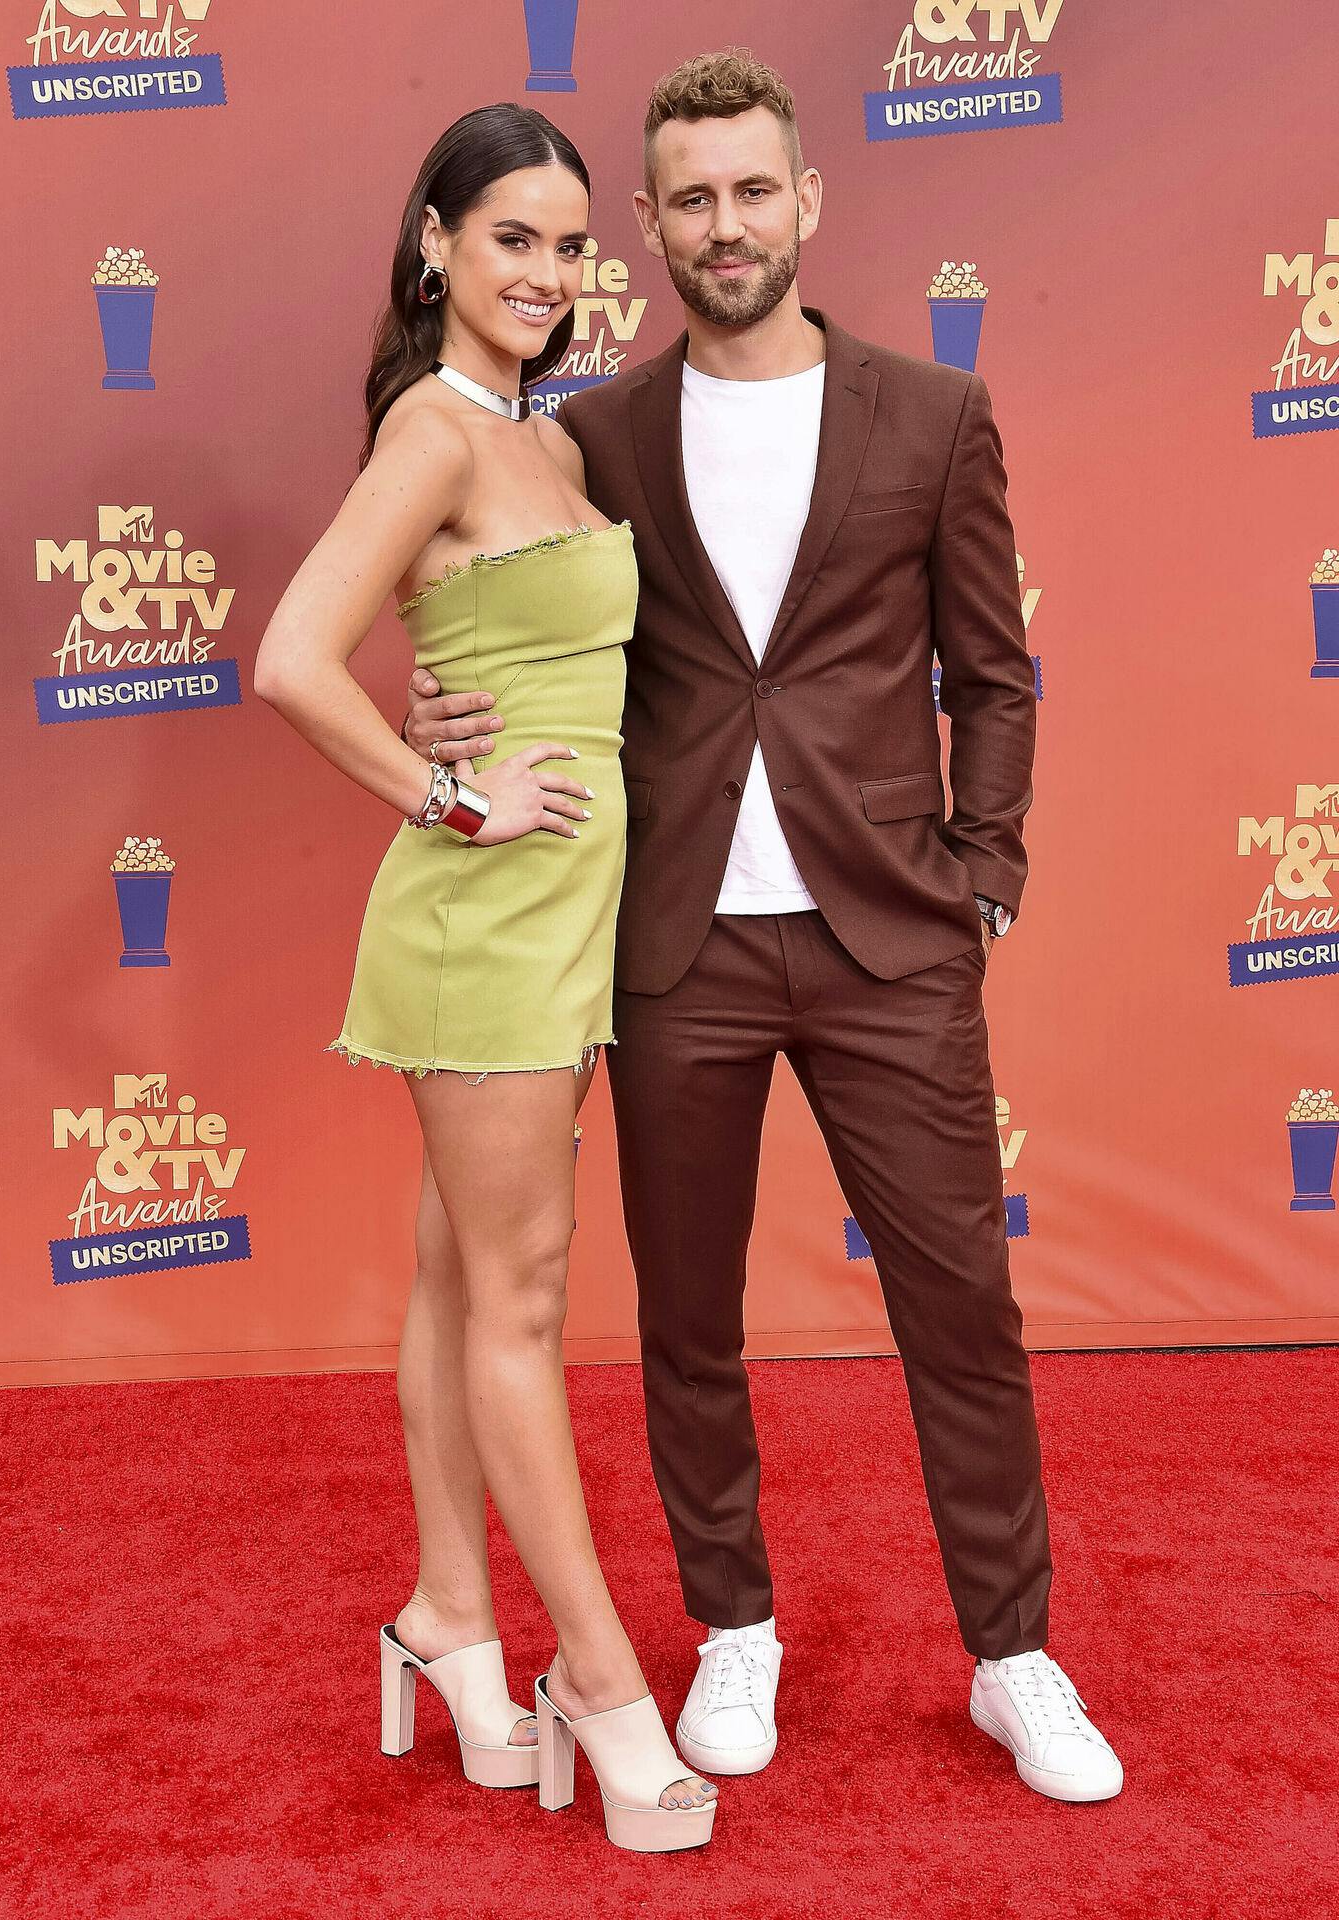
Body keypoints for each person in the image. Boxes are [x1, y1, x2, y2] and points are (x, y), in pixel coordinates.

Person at [406, 52, 1124, 1804]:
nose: (724, 225)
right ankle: (734, 1626)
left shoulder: (933, 413)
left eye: (753, 190)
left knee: (963, 1305)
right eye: (690, 200)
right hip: (673, 953)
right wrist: (444, 719)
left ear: (807, 202)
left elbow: (996, 668)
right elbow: (526, 627)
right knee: (688, 1321)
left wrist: (990, 866)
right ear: (644, 231)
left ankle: (1015, 1657)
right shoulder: (599, 434)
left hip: (891, 934)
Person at [254, 103, 717, 1854]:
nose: (543, 272)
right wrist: (446, 783)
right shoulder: (434, 435)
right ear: (436, 242)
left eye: (567, 244)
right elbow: (293, 659)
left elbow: (525, 648)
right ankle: (596, 1680)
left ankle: (449, 1611)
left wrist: (470, 710)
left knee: (463, 1289)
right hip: (489, 925)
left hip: (566, 915)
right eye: (508, 236)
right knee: (520, 1306)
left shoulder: (552, 440)